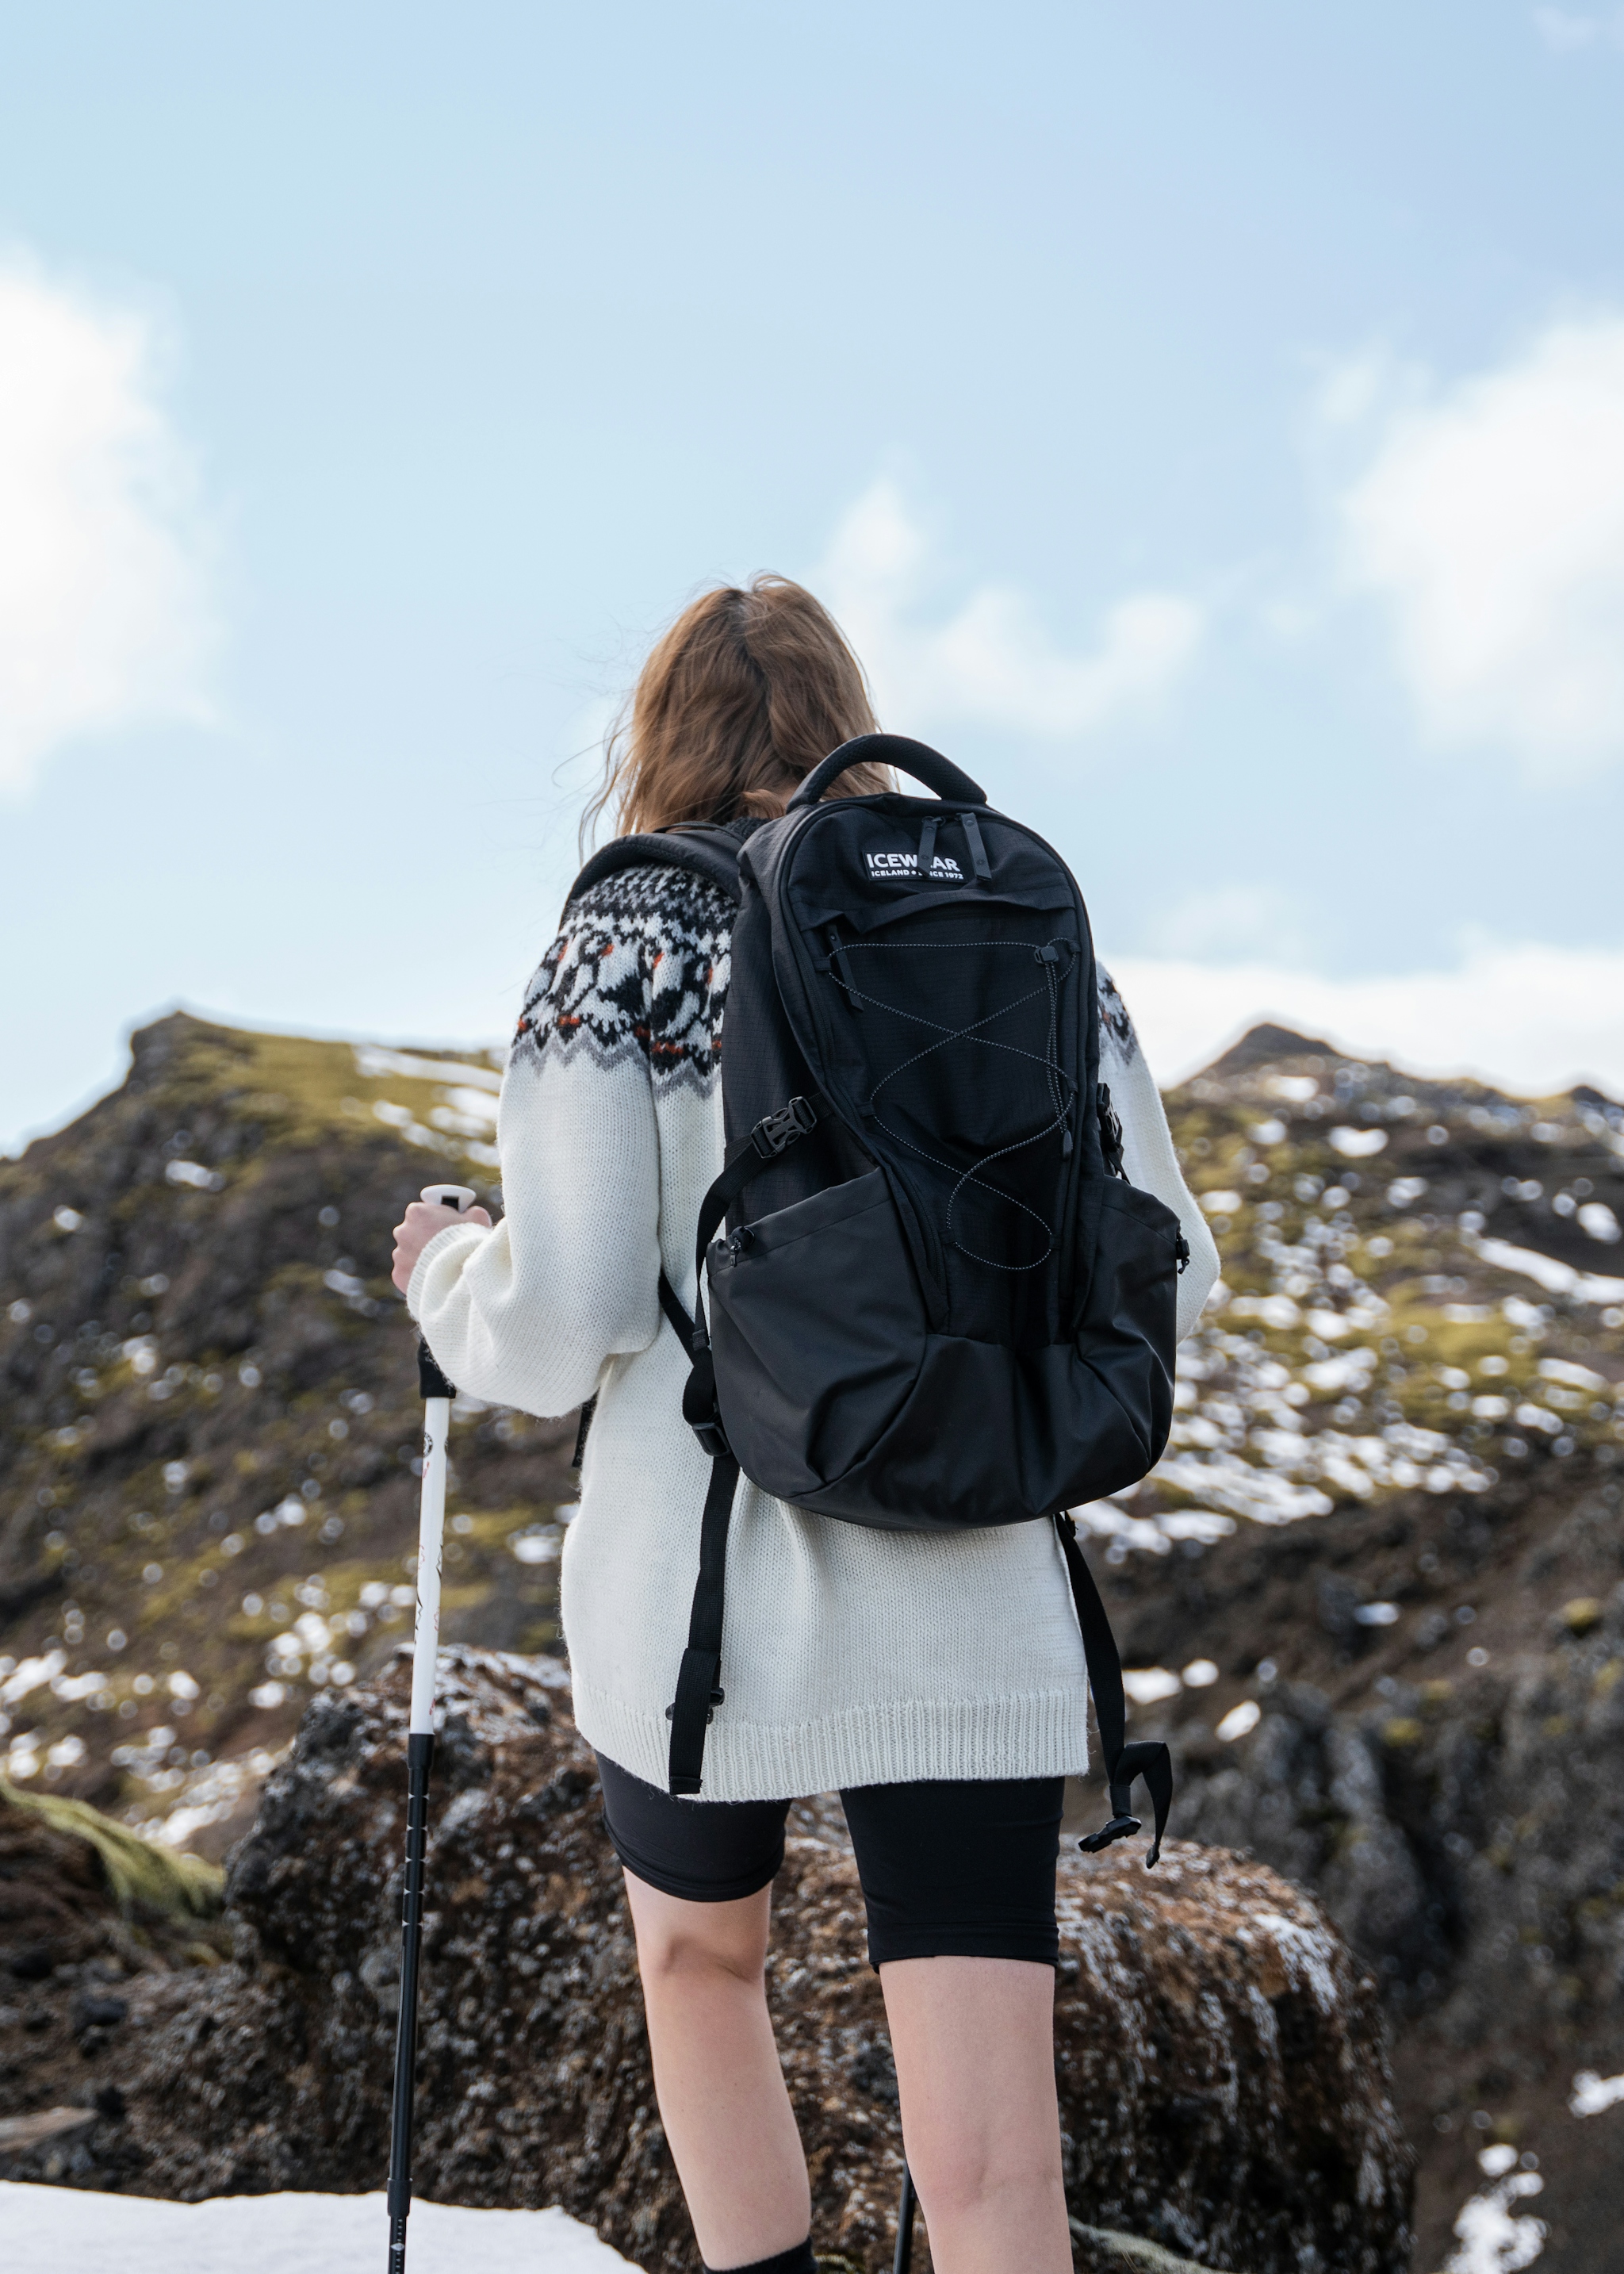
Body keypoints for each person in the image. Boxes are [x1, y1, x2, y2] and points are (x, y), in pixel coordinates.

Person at [390, 575, 1219, 2274]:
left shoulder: (619, 943)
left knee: (702, 1966)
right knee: (993, 2173)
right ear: (848, 714)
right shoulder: (1020, 929)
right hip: (975, 1579)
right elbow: (1168, 1268)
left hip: (709, 1613)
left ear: (652, 741)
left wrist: (445, 1270)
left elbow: (564, 1325)